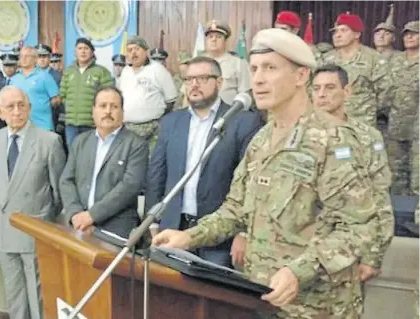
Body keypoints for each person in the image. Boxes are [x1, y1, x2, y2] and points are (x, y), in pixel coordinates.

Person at [152, 28, 379, 318]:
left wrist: (299, 270)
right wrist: (189, 238)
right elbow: (235, 210)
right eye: (255, 68)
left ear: (301, 77)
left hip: (318, 306)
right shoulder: (261, 140)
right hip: (261, 295)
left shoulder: (334, 139)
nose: (258, 79)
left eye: (270, 68)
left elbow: (359, 227)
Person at [146, 56, 264, 266]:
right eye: (189, 79)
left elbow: (250, 183)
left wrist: (244, 232)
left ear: (219, 82)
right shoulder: (171, 121)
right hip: (174, 227)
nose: (194, 85)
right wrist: (153, 221)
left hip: (218, 237)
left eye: (202, 78)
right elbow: (157, 174)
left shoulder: (242, 121)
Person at [0, 86, 66, 319]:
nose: (16, 111)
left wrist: (43, 217)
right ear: (0, 113)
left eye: (22, 105)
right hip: (3, 229)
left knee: (38, 296)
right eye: (10, 107)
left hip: (35, 230)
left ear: (30, 109)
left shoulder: (49, 141)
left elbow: (58, 192)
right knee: (15, 296)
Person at [311, 64, 394, 281]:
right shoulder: (297, 135)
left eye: (329, 88)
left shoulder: (367, 137)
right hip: (304, 247)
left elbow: (379, 196)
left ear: (346, 91)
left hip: (350, 249)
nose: (322, 94)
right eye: (316, 88)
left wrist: (373, 256)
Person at [60, 86, 148, 238]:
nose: (108, 111)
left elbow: (129, 187)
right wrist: (75, 213)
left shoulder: (136, 144)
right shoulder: (81, 141)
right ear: (93, 111)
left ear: (122, 112)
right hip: (79, 225)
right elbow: (66, 180)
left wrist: (92, 216)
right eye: (102, 106)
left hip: (115, 229)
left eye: (114, 106)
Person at [321, 13, 392, 127]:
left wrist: (367, 109)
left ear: (357, 34)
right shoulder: (327, 58)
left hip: (362, 123)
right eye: (335, 32)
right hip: (331, 122)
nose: (337, 35)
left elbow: (386, 93)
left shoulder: (373, 58)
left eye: (343, 31)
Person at [118, 36, 177, 149]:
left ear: (145, 50)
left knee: (151, 163)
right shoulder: (125, 72)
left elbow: (171, 99)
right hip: (128, 129)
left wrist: (157, 119)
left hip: (153, 130)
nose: (133, 53)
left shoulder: (158, 70)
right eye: (130, 50)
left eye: (137, 49)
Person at [59, 38, 113, 147]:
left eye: (86, 48)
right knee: (73, 154)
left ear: (92, 52)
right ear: (75, 52)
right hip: (71, 124)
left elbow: (109, 96)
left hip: (93, 124)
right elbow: (63, 95)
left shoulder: (101, 72)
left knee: (91, 156)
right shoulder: (68, 72)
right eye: (80, 48)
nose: (83, 51)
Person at [386, 20, 419, 195]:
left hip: (417, 127)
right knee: (395, 175)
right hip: (396, 124)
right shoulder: (395, 59)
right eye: (406, 34)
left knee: (417, 176)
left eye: (414, 33)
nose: (409, 37)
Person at [10, 46, 60, 132]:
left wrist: (41, 107)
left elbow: (56, 100)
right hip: (20, 126)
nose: (23, 59)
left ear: (35, 59)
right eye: (21, 56)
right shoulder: (14, 79)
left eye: (27, 56)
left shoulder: (45, 76)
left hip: (42, 125)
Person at [202, 20, 250, 105]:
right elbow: (187, 95)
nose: (214, 39)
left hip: (229, 115)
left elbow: (245, 95)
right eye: (210, 37)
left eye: (218, 36)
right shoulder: (198, 63)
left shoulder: (238, 63)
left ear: (225, 41)